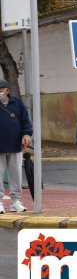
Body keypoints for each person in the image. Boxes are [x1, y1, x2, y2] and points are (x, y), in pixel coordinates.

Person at [0, 79, 32, 213]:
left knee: (16, 175)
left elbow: (26, 121)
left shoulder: (17, 103)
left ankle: (16, 201)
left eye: (1, 90)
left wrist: (26, 134)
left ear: (7, 91)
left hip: (15, 144)